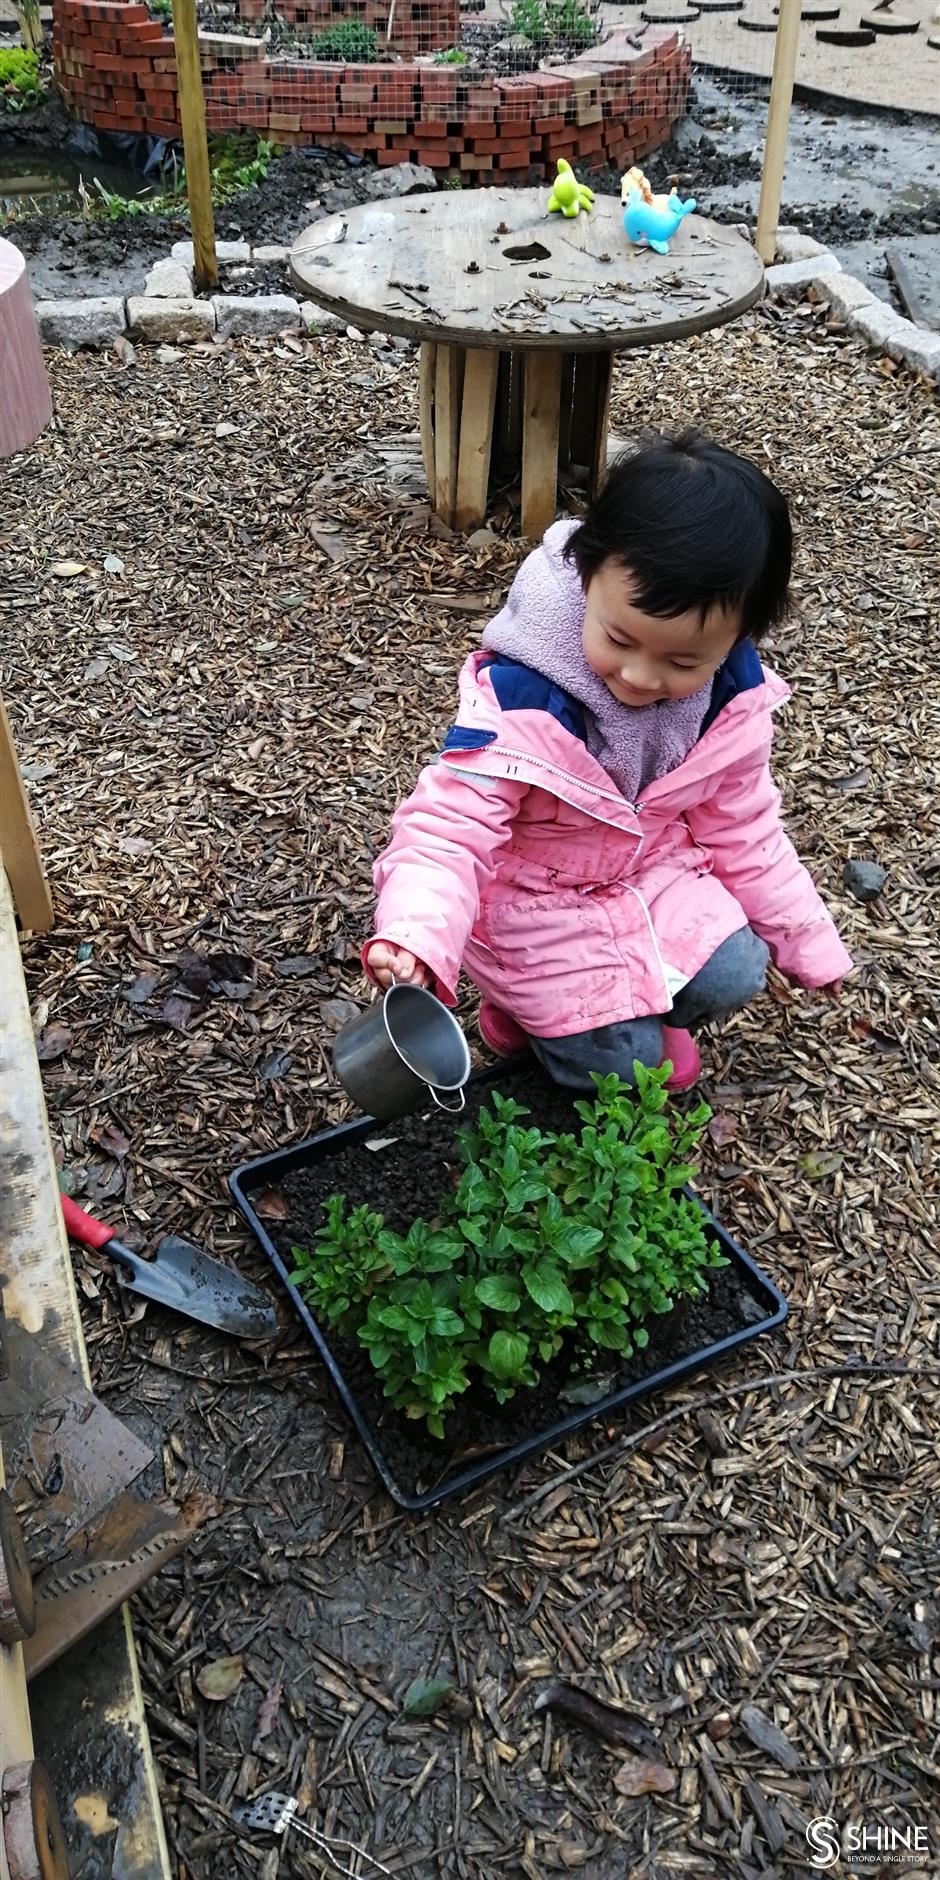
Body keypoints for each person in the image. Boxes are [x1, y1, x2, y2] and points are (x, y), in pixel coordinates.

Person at [362, 433, 851, 1091]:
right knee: (623, 1071)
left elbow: (749, 833)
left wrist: (808, 943)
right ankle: (532, 1019)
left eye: (683, 662)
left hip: (648, 874)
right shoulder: (521, 699)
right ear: (587, 578)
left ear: (739, 638)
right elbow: (447, 830)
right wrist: (415, 935)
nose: (640, 676)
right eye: (619, 638)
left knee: (739, 969)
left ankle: (631, 1009)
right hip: (536, 906)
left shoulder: (729, 701)